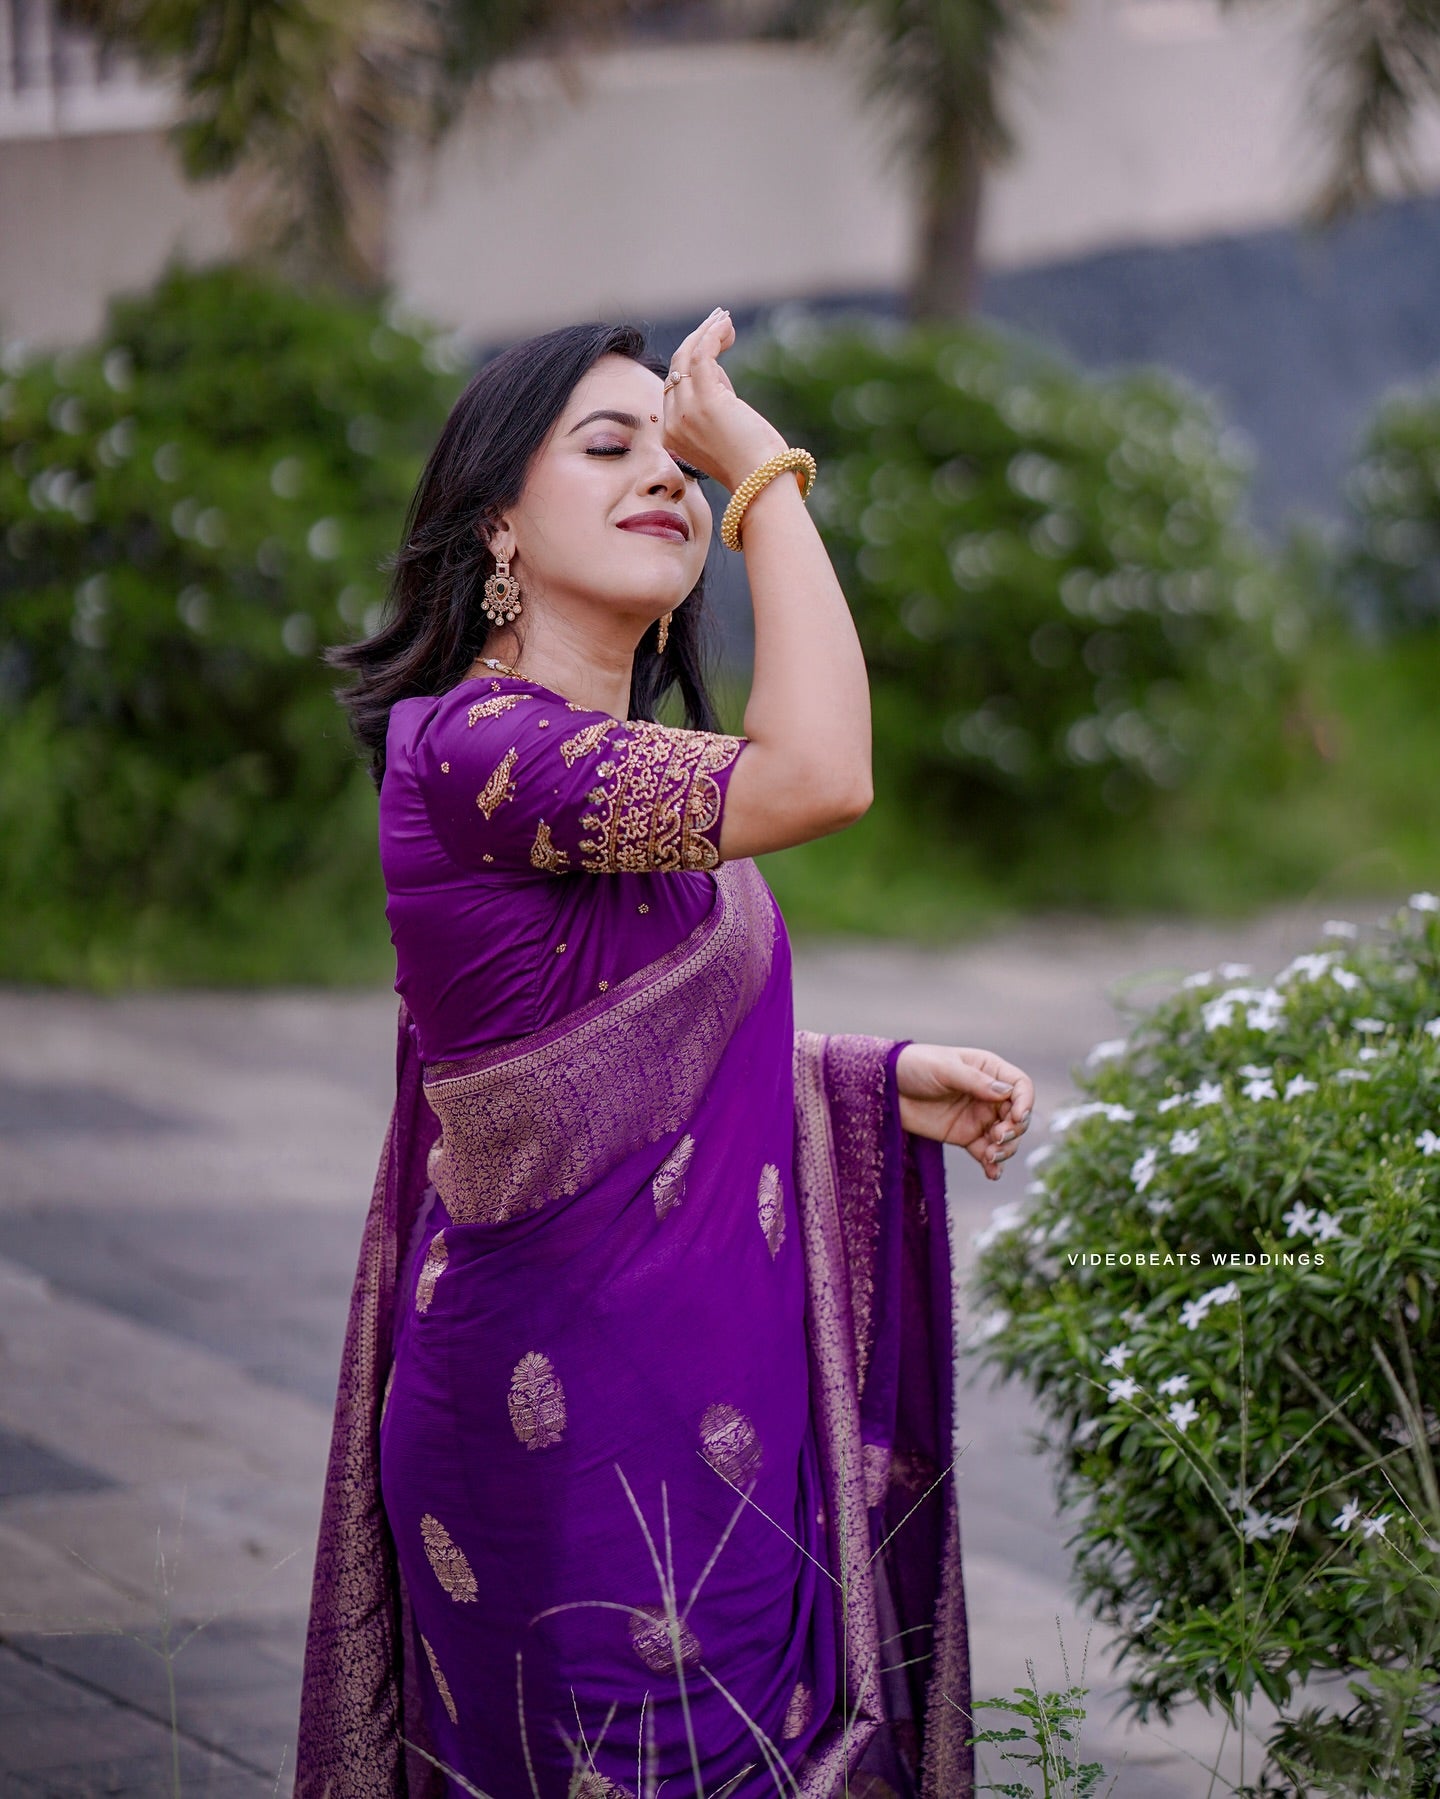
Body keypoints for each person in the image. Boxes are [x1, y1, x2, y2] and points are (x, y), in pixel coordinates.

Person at [295, 307, 1034, 1799]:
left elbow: (603, 1041)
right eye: (609, 445)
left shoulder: (628, 785)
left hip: (715, 1435)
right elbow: (824, 775)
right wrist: (762, 466)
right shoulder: (475, 750)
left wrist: (861, 1081)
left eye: (677, 457)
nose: (667, 477)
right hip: (560, 1440)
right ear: (495, 519)